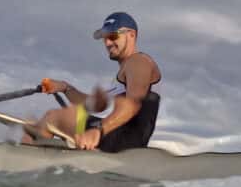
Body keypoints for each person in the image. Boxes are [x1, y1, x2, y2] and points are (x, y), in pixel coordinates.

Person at [29, 12, 162, 152]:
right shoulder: (125, 72)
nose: (107, 43)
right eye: (105, 38)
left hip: (124, 142)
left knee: (53, 118)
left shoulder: (138, 62)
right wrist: (64, 87)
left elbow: (132, 105)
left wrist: (98, 130)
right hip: (117, 138)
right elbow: (89, 103)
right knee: (58, 119)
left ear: (132, 35)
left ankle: (28, 160)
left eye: (113, 36)